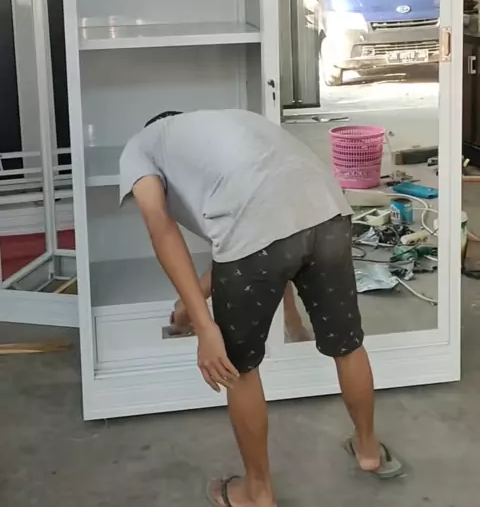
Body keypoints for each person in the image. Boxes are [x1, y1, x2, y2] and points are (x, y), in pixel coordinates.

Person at [120, 109, 402, 507]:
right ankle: (369, 450)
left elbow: (160, 226)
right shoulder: (225, 127)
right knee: (347, 344)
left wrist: (205, 327)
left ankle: (258, 493)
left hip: (262, 230)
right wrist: (191, 302)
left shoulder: (140, 147)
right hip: (328, 210)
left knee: (238, 370)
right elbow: (256, 243)